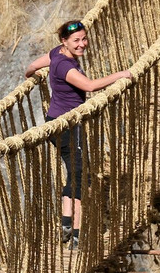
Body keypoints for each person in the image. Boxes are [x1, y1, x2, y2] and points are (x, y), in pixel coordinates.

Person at [24, 20, 132, 249]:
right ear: (65, 42)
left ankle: (66, 223)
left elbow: (33, 65)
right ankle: (75, 235)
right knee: (80, 175)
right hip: (67, 127)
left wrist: (29, 74)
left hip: (55, 124)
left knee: (75, 171)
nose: (82, 44)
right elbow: (90, 86)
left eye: (84, 39)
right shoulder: (65, 66)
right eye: (76, 41)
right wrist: (120, 75)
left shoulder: (56, 54)